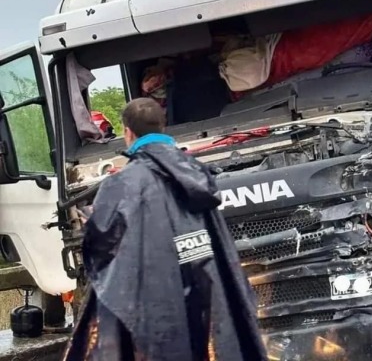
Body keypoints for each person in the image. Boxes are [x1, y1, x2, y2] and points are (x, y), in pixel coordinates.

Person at [64, 97, 266, 361]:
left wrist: (92, 220)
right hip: (209, 288)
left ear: (127, 132)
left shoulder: (122, 184)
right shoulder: (198, 173)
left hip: (156, 302)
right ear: (163, 126)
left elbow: (102, 247)